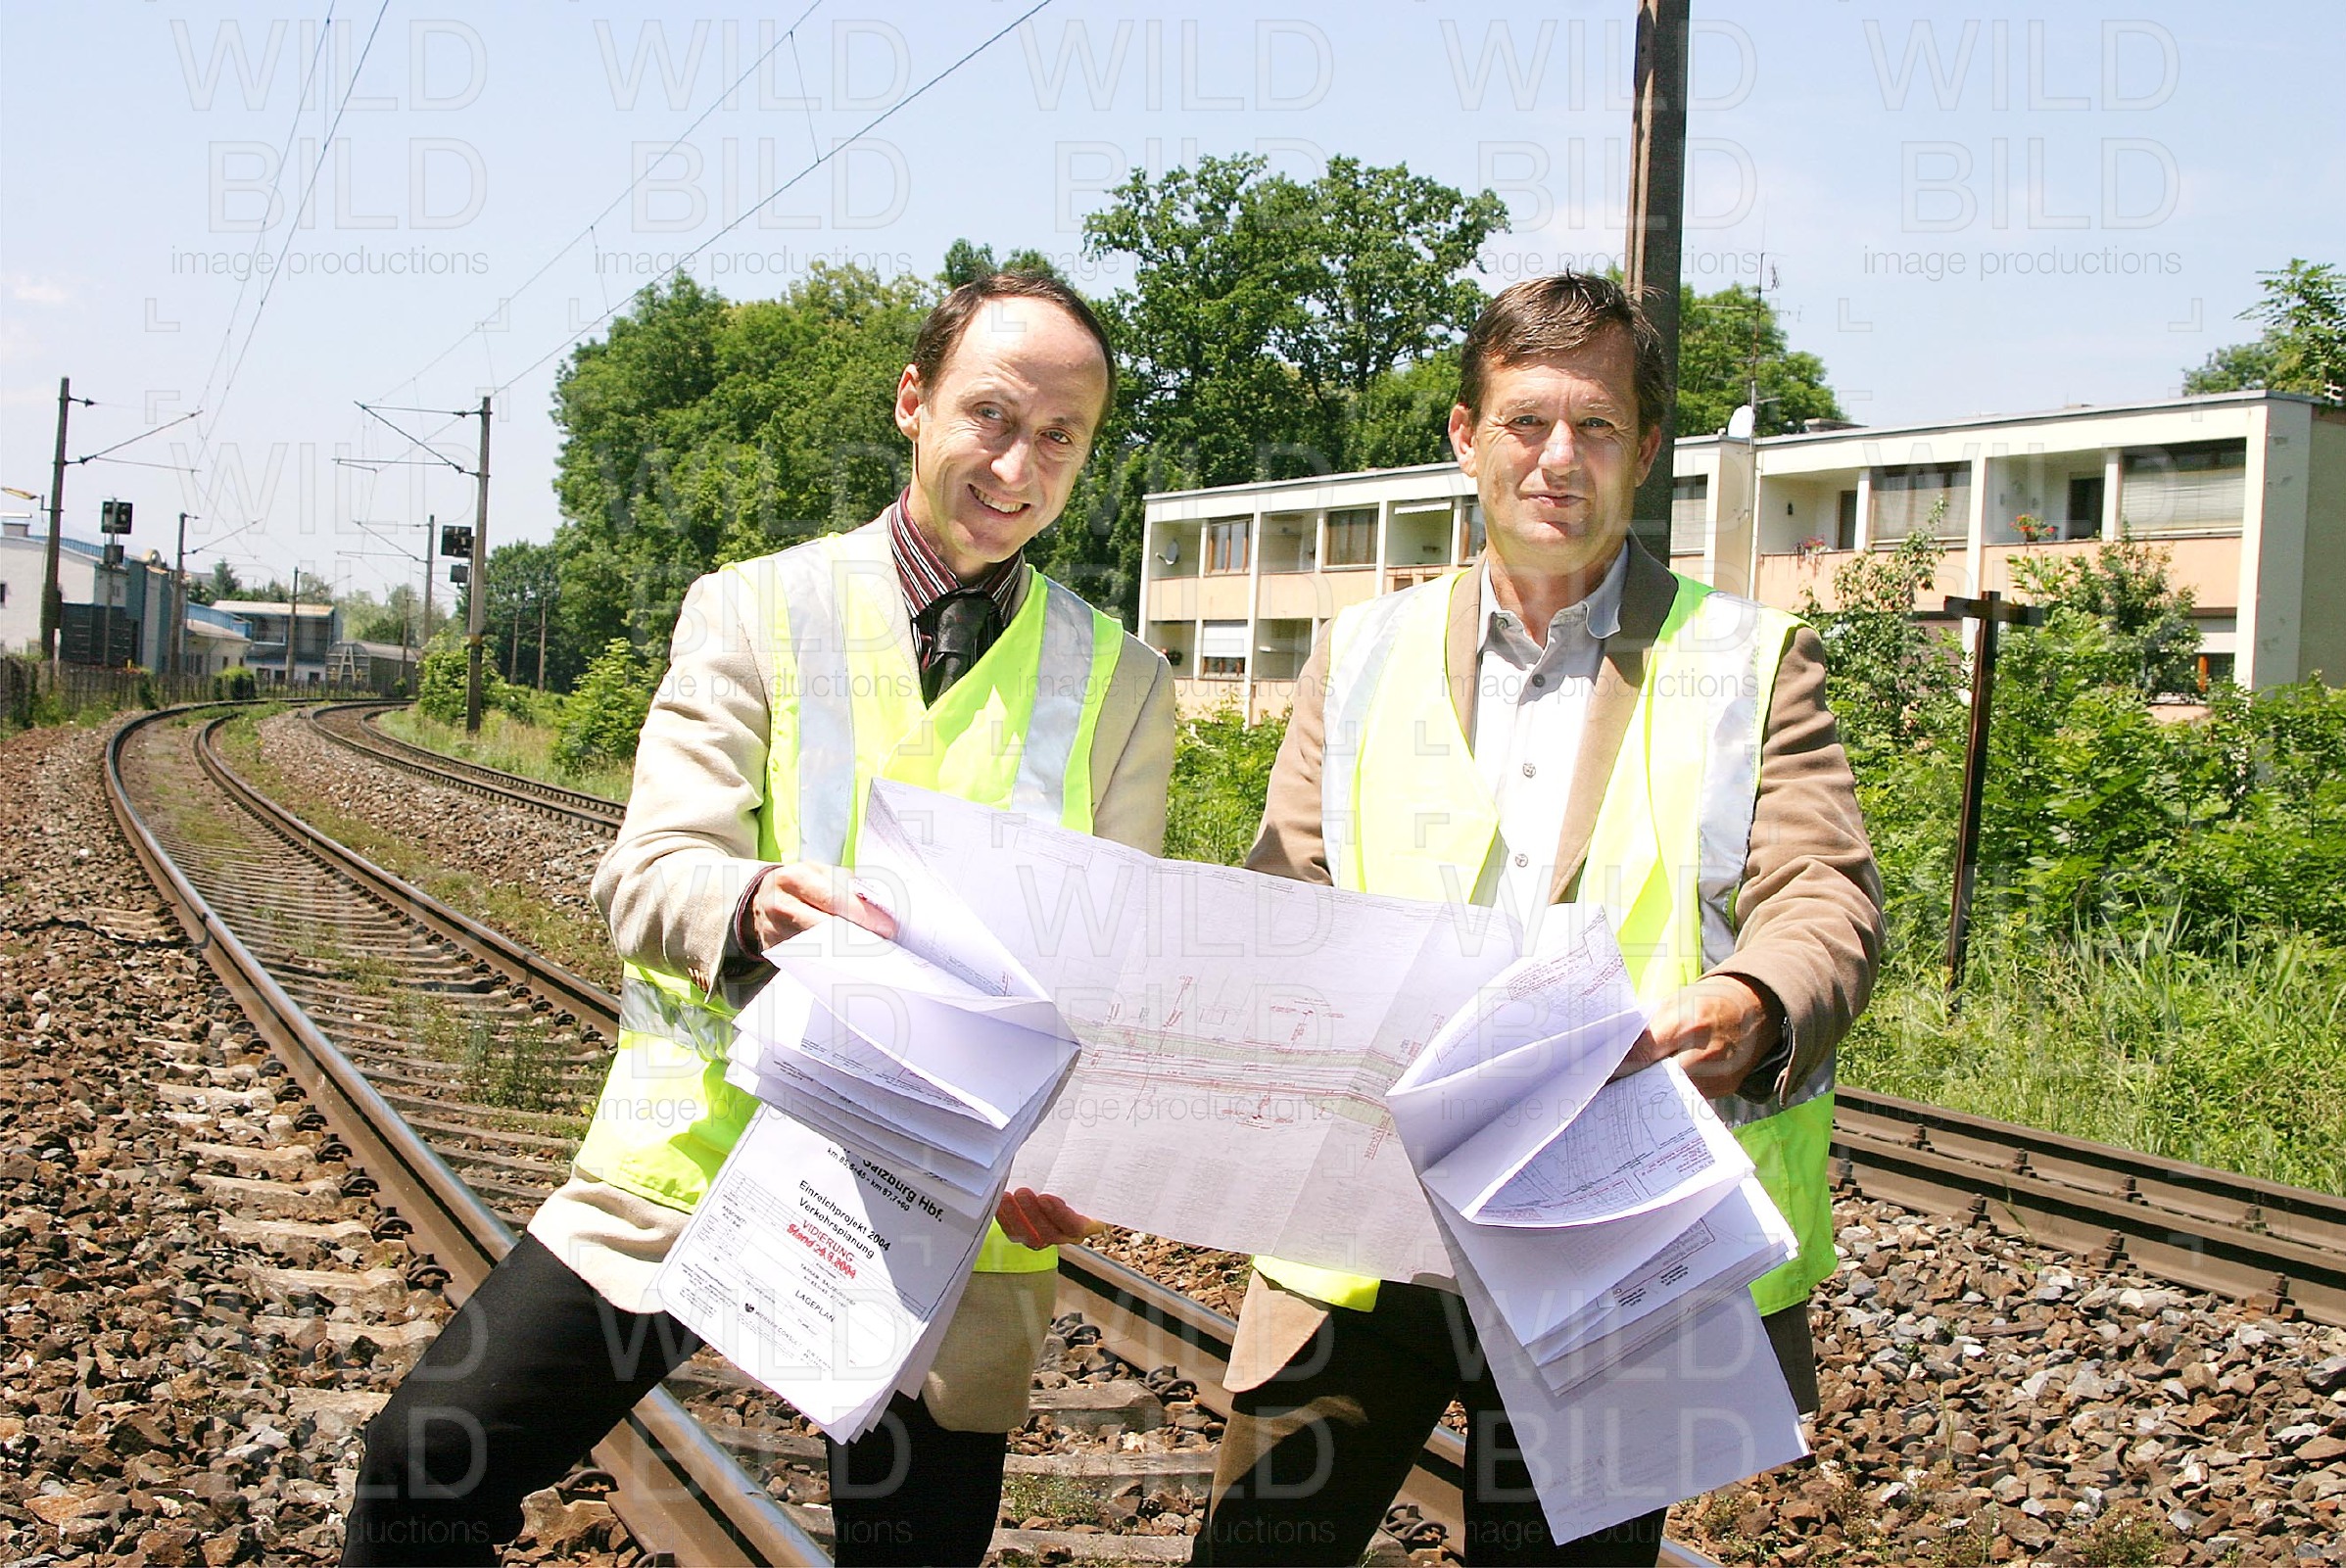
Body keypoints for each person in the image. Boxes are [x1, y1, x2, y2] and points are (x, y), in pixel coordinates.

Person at [343, 270, 1176, 1568]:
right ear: (913, 402)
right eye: (991, 415)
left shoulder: (1124, 685)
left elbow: (1112, 979)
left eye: (1060, 436)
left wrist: (1082, 1151)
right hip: (703, 1157)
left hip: (947, 1211)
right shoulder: (755, 609)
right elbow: (646, 873)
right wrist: (749, 902)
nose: (1019, 464)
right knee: (422, 1468)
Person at [1192, 273, 1884, 1567]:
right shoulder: (1360, 650)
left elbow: (1823, 893)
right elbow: (1285, 898)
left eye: (1597, 425)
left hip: (1613, 1244)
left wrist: (1755, 1003)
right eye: (1525, 421)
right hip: (1364, 1235)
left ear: (1647, 448)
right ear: (1467, 436)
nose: (1558, 457)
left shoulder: (1751, 659)